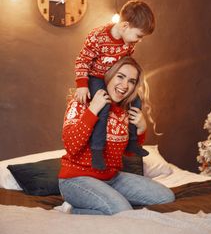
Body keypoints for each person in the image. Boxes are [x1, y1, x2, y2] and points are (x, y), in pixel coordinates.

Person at [58, 57, 175, 215]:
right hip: (76, 179)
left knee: (165, 197)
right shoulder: (82, 102)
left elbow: (129, 153)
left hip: (112, 178)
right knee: (122, 211)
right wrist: (92, 110)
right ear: (108, 75)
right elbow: (72, 146)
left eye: (131, 81)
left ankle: (92, 206)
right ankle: (74, 210)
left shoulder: (126, 110)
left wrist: (141, 129)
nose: (125, 85)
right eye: (120, 76)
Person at [74, 0, 155, 170]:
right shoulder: (98, 36)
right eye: (139, 36)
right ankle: (97, 150)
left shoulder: (129, 43)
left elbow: (127, 62)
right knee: (103, 107)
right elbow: (83, 60)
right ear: (125, 26)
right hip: (96, 77)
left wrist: (130, 80)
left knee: (137, 101)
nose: (139, 40)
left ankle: (132, 142)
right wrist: (82, 84)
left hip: (113, 78)